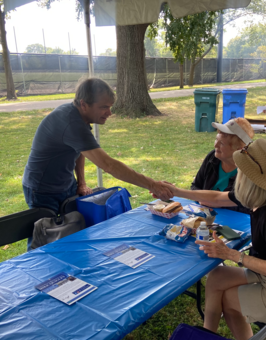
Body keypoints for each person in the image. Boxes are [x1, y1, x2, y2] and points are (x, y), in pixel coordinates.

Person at [161, 139, 266, 340]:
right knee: (217, 276)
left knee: (228, 300)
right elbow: (216, 197)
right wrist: (176, 192)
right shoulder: (261, 195)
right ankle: (207, 337)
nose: (237, 171)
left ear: (248, 177)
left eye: (240, 168)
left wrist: (232, 255)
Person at [22, 78, 173, 250]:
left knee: (70, 235)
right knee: (43, 240)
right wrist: (152, 185)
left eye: (110, 106)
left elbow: (79, 150)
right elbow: (108, 165)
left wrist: (81, 182)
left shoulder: (79, 118)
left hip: (65, 184)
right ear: (84, 104)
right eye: (104, 107)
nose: (109, 112)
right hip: (41, 188)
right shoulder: (71, 122)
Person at [191, 118, 253, 214]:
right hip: (205, 217)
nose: (216, 145)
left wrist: (219, 202)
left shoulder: (249, 169)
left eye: (222, 143)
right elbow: (195, 186)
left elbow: (249, 206)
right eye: (216, 139)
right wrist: (202, 198)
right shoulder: (212, 158)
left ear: (239, 149)